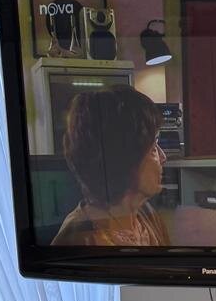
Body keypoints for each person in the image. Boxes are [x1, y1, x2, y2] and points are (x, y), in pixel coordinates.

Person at [51, 86, 170, 248]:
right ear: (125, 157)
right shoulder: (78, 239)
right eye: (153, 148)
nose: (163, 157)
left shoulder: (146, 214)